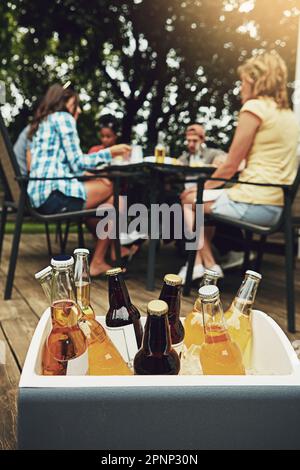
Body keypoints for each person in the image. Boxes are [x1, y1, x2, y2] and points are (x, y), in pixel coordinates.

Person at [178, 51, 300, 282]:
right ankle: (201, 263)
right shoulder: (289, 116)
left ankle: (209, 265)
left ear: (254, 81)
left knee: (188, 199)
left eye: (243, 82)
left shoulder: (254, 108)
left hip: (254, 202)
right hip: (278, 206)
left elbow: (231, 165)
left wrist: (202, 189)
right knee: (197, 201)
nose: (240, 88)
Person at [27, 83, 131, 276]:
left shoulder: (43, 122)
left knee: (110, 205)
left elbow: (66, 164)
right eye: (76, 104)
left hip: (39, 195)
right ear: (64, 103)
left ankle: (102, 257)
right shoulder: (63, 118)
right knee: (111, 188)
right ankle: (101, 258)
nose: (80, 110)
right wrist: (110, 152)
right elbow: (77, 162)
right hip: (54, 195)